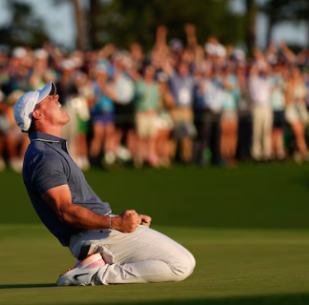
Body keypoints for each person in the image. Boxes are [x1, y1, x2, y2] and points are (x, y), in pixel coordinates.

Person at [15, 82, 195, 286]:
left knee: (179, 261)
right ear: (37, 115)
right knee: (181, 264)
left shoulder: (48, 149)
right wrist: (116, 223)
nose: (56, 98)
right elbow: (65, 211)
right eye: (48, 99)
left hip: (98, 231)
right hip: (92, 235)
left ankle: (95, 264)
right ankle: (90, 275)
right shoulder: (44, 155)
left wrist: (123, 221)